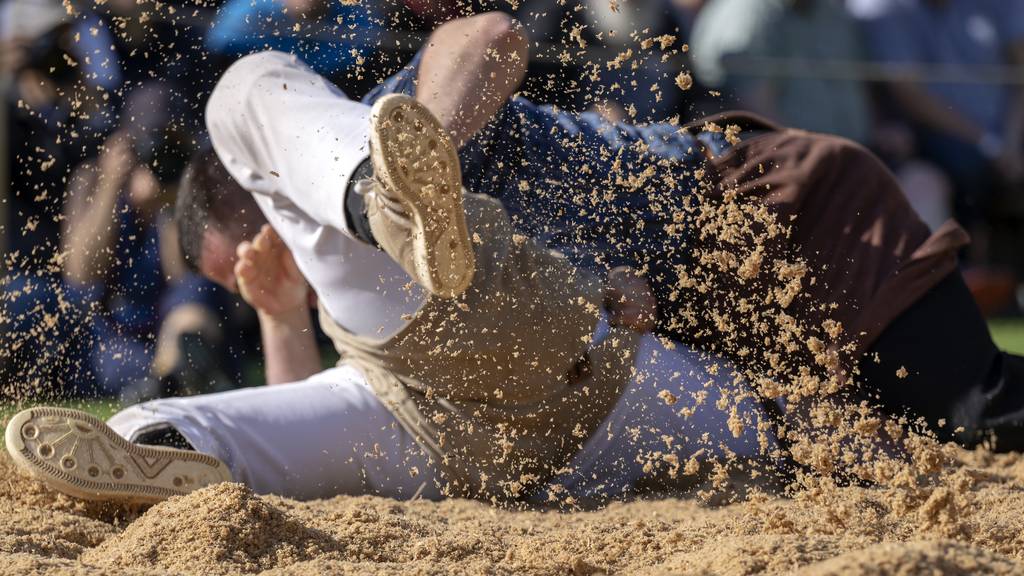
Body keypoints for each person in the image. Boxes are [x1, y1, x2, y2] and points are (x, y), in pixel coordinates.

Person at [5, 83, 773, 505]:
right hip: (478, 426)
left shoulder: (400, 111)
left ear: (264, 195)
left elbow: (495, 37)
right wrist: (278, 314)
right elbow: (304, 407)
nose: (246, 275)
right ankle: (149, 447)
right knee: (153, 426)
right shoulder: (335, 297)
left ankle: (381, 200)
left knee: (236, 99)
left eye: (242, 251)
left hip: (557, 365)